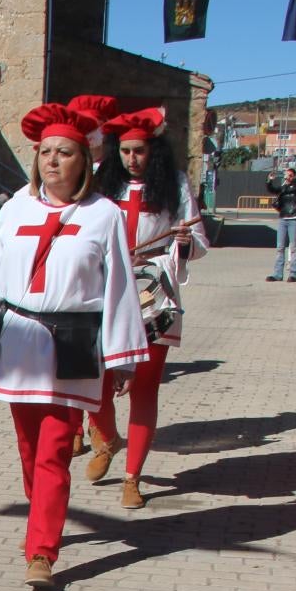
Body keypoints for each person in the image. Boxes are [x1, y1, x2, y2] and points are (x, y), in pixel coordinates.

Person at [0, 103, 147, 591]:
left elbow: (120, 287)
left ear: (84, 159)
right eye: (45, 153)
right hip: (20, 341)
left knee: (55, 450)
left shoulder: (103, 215)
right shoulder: (15, 208)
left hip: (75, 343)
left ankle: (42, 549)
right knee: (27, 448)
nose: (53, 162)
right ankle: (42, 519)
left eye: (64, 153)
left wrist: (122, 357)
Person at [86, 107, 207, 510]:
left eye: (139, 151)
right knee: (96, 381)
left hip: (154, 292)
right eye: (125, 151)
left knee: (145, 386)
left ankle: (133, 476)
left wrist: (185, 245)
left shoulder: (174, 185)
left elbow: (197, 238)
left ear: (152, 150)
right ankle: (104, 438)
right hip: (106, 290)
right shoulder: (102, 181)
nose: (131, 159)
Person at [267, 166, 296, 282]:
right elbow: (273, 190)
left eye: (290, 175)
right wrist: (269, 180)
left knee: (294, 247)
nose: (288, 177)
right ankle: (277, 274)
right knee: (280, 247)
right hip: (283, 217)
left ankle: (294, 273)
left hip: (294, 218)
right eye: (286, 175)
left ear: (295, 176)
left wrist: (292, 181)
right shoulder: (284, 187)